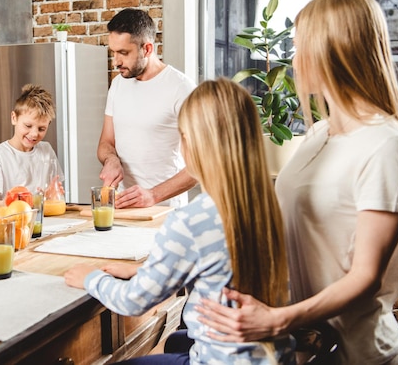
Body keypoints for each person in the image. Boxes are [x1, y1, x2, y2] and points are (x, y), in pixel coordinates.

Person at [196, 0, 398, 365]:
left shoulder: (384, 147)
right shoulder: (318, 134)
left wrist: (275, 319)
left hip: (361, 355)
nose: (294, 62)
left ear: (335, 50)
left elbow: (365, 277)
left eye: (301, 48)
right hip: (307, 347)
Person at [65, 78, 295, 364]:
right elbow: (218, 270)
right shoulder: (268, 204)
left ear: (194, 144)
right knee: (174, 340)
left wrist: (89, 277)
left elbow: (133, 301)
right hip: (273, 357)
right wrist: (146, 272)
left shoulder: (191, 220)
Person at [98, 8, 198, 208]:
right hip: (123, 206)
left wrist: (153, 195)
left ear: (148, 49)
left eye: (124, 53)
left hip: (165, 211)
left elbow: (203, 163)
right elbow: (106, 142)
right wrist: (111, 159)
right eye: (113, 53)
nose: (116, 61)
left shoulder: (182, 89)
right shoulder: (118, 84)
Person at [0, 84, 63, 213]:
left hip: (41, 222)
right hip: (10, 224)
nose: (34, 134)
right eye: (28, 126)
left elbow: (51, 197)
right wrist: (7, 203)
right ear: (14, 118)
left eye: (41, 129)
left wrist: (51, 195)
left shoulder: (46, 150)